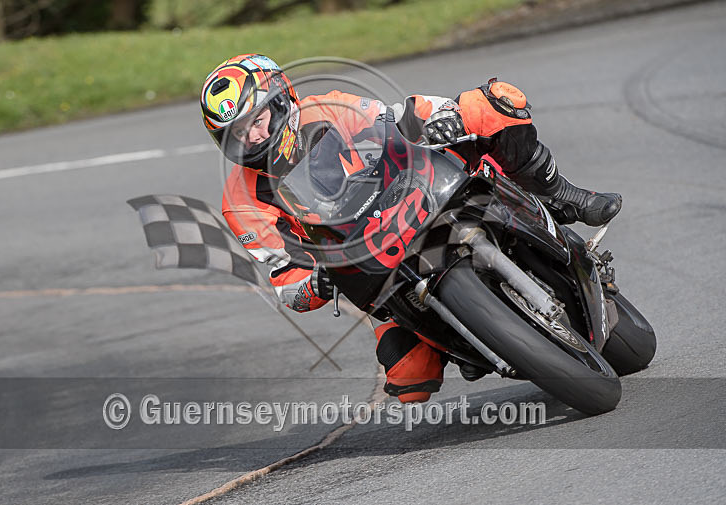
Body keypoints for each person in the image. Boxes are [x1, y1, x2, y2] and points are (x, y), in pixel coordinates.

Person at [200, 54, 621, 403]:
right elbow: (284, 279)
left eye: (258, 120)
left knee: (488, 105)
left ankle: (560, 195)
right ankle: (467, 336)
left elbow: (394, 119)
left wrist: (441, 118)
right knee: (409, 381)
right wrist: (315, 282)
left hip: (410, 196)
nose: (254, 137)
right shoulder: (241, 201)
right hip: (367, 266)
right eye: (238, 133)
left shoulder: (327, 109)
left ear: (281, 101)